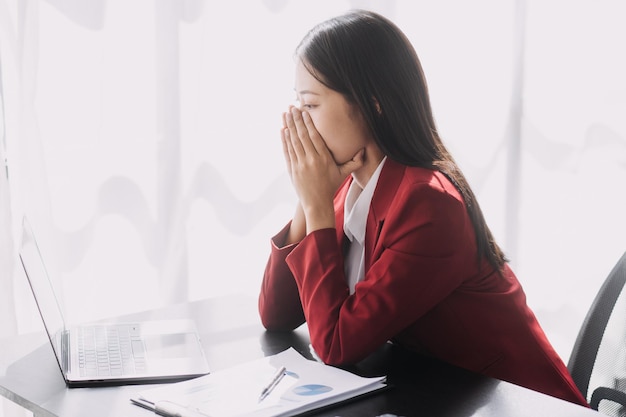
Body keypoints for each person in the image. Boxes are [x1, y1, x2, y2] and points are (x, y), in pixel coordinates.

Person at [258, 9, 588, 407]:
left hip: (521, 405)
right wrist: (309, 198)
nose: (299, 124)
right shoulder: (349, 187)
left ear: (371, 104)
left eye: (309, 105)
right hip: (445, 396)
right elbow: (276, 315)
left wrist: (316, 203)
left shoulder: (429, 203)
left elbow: (336, 344)